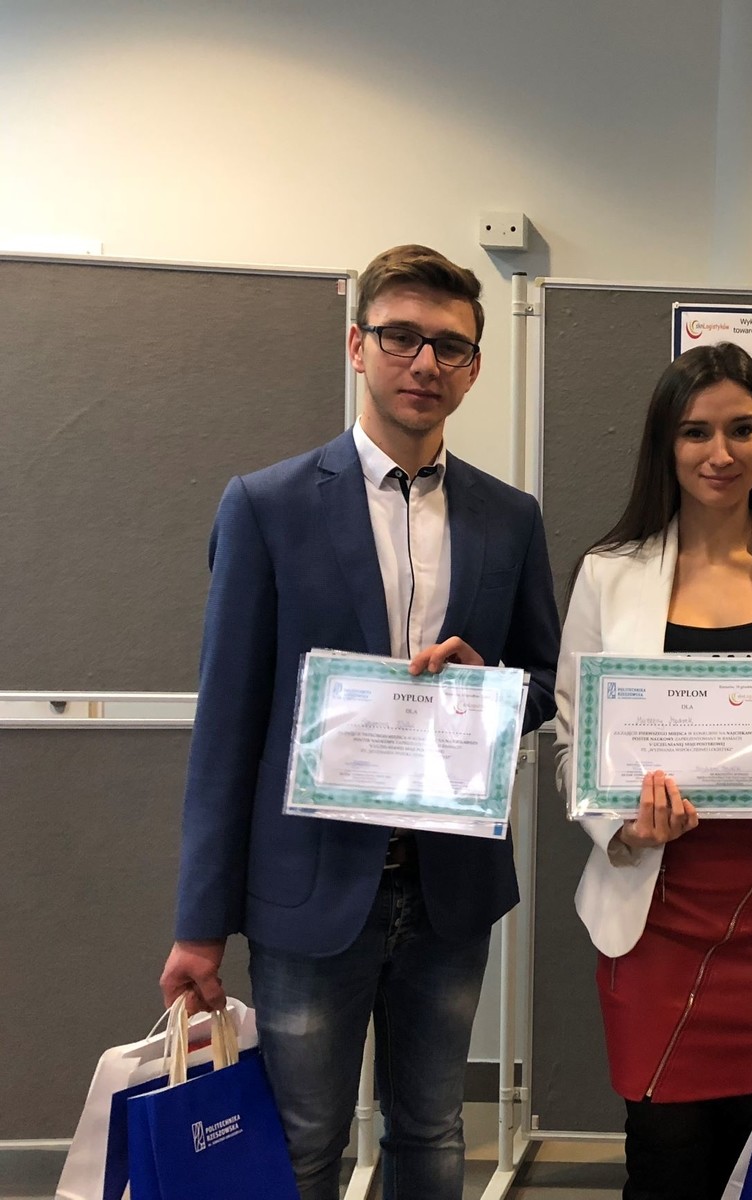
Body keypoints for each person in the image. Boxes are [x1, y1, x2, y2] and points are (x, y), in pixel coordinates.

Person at [159, 244, 561, 1199]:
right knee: (304, 1144)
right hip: (307, 889)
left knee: (432, 1134)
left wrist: (492, 686)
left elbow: (544, 682)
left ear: (473, 368)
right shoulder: (266, 506)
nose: (424, 363)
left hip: (448, 890)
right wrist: (199, 926)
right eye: (400, 337)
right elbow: (226, 728)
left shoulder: (509, 518)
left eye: (450, 347)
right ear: (356, 346)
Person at [554, 342, 752, 1200]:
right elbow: (573, 744)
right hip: (654, 918)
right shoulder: (609, 574)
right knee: (665, 1159)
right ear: (666, 443)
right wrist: (622, 823)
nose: (719, 453)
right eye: (695, 432)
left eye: (741, 429)